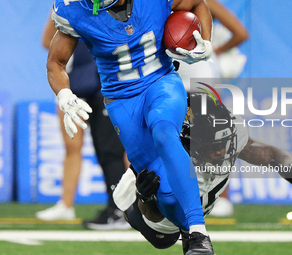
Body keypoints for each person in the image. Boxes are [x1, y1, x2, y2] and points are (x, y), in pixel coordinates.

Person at [47, 0, 215, 254]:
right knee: (165, 194)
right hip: (122, 100)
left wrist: (206, 40)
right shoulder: (76, 10)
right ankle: (184, 233)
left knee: (163, 130)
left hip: (161, 82)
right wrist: (64, 95)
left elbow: (198, 4)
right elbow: (55, 63)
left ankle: (199, 234)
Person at [112, 92, 292, 253]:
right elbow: (156, 216)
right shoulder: (170, 160)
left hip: (198, 201)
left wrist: (288, 167)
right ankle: (134, 201)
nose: (220, 151)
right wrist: (145, 197)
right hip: (156, 216)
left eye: (223, 143)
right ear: (188, 143)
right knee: (165, 239)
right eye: (211, 146)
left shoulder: (229, 132)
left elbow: (271, 152)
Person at [36, 12, 130, 230]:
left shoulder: (116, 6)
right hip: (75, 85)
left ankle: (124, 209)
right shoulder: (68, 7)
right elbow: (47, 42)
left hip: (109, 84)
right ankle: (68, 204)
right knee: (76, 147)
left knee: (114, 150)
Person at [177, 0, 249, 216]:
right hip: (180, 74)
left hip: (196, 74)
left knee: (213, 135)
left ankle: (219, 197)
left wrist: (213, 49)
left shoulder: (204, 2)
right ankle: (208, 197)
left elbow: (240, 33)